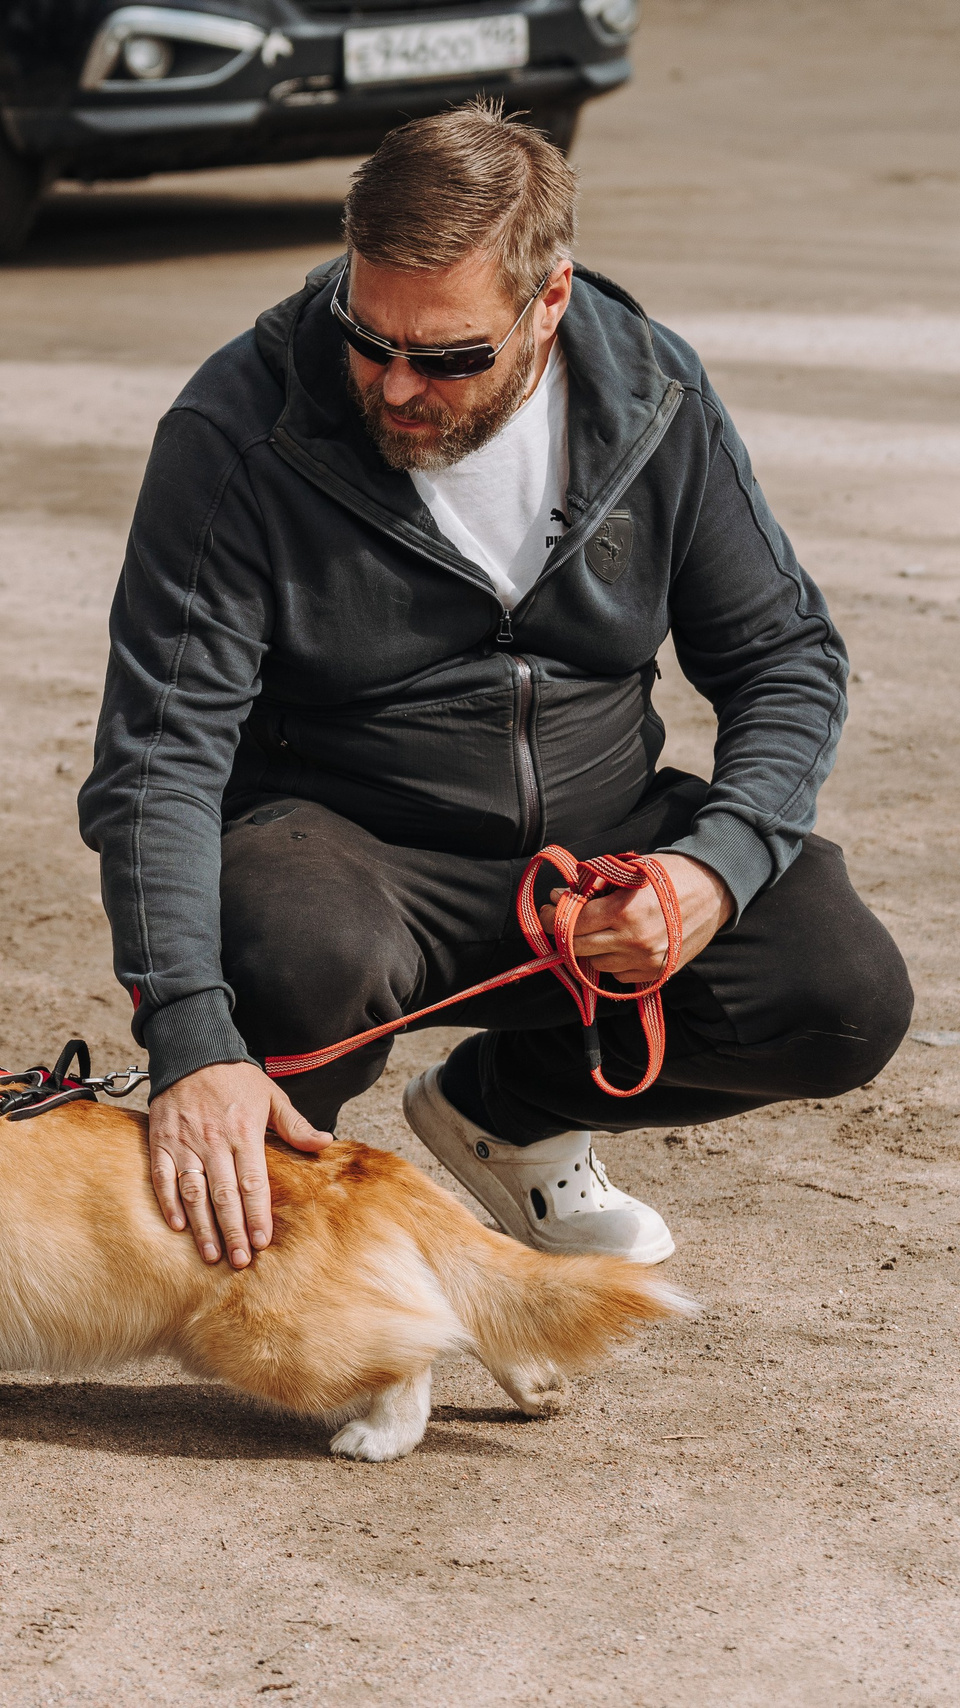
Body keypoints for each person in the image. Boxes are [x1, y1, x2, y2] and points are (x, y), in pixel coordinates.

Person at [78, 99, 910, 1273]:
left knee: (842, 996)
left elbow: (784, 656)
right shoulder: (238, 432)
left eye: (449, 355)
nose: (398, 387)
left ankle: (500, 1119)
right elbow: (158, 761)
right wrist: (189, 1037)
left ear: (548, 302)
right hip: (351, 854)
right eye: (368, 338)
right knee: (281, 951)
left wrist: (709, 871)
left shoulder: (654, 395)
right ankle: (257, 1174)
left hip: (594, 862)